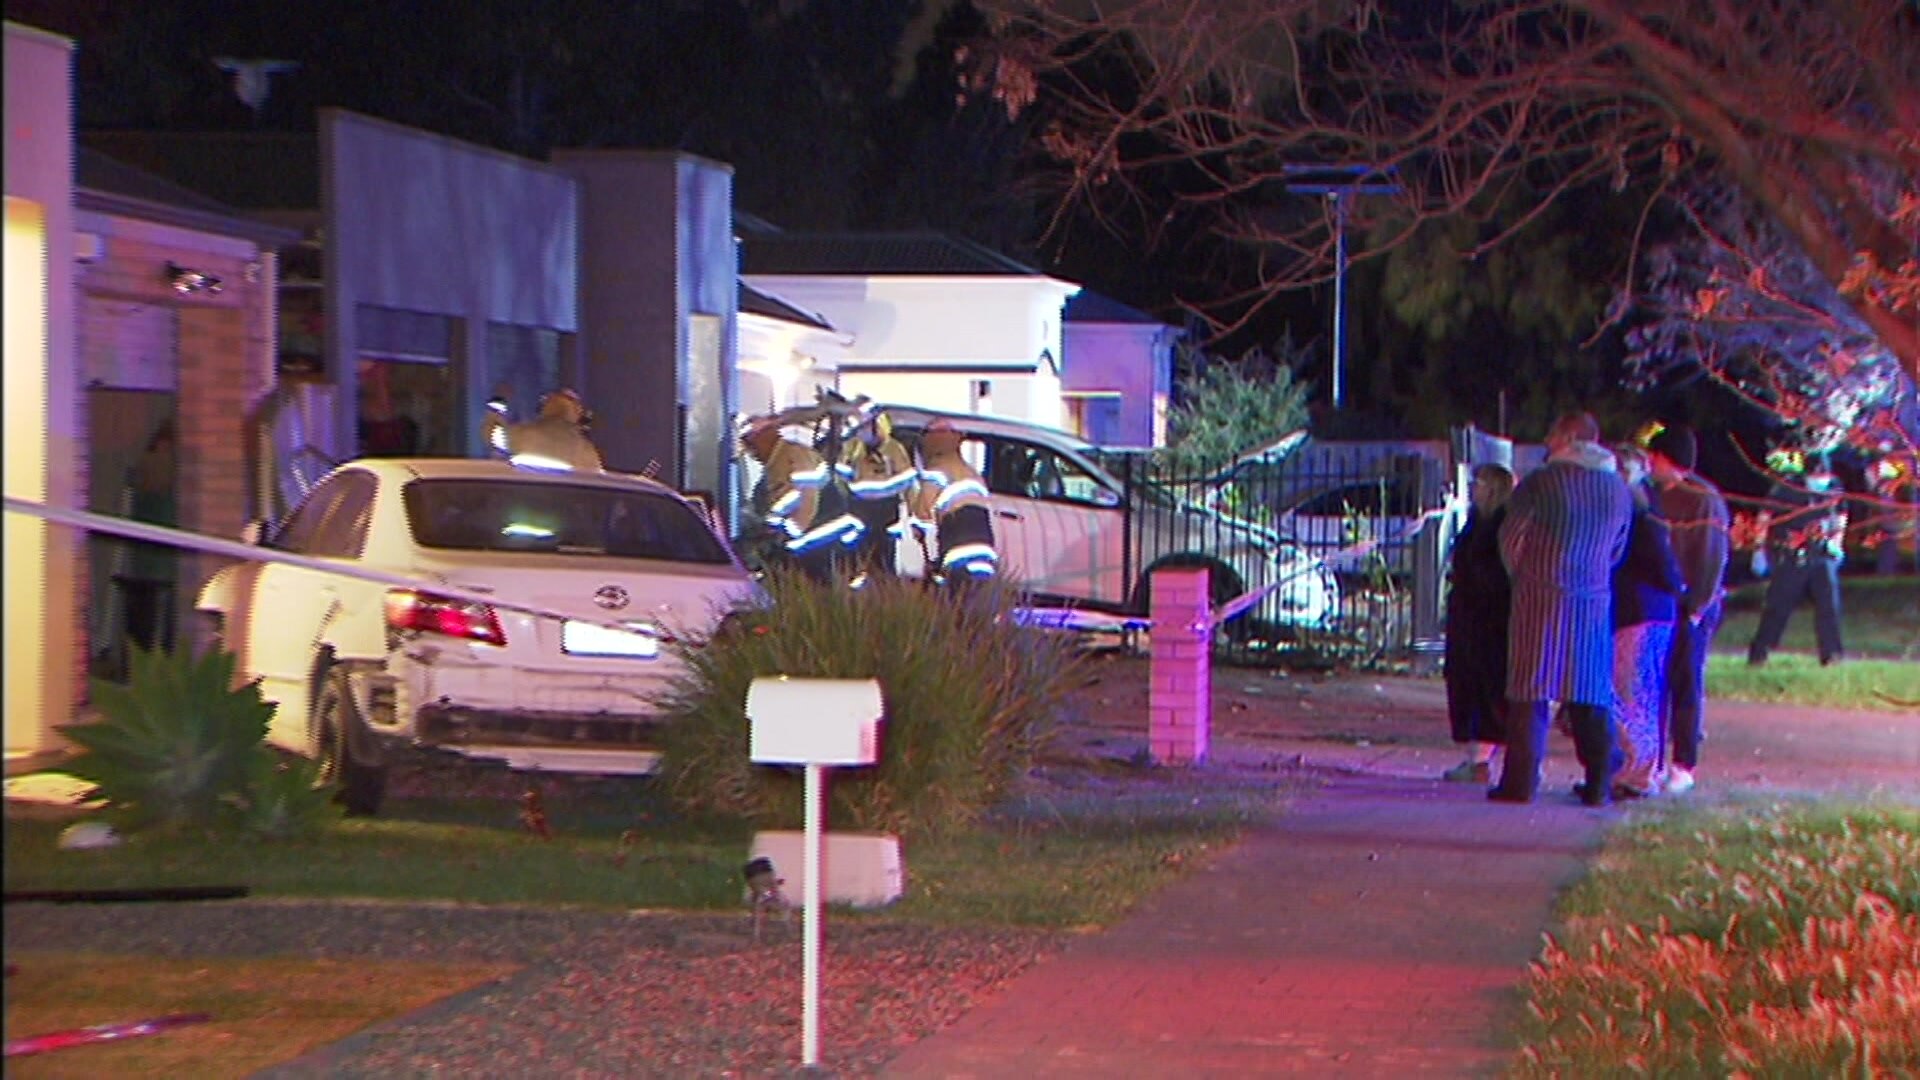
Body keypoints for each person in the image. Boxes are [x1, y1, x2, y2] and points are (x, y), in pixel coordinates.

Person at [1490, 412, 1633, 807]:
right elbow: (1617, 549)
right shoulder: (1618, 490)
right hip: (1592, 600)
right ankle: (1600, 782)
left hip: (1539, 597)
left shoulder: (1541, 483)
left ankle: (1519, 783)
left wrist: (1527, 575)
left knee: (1529, 690)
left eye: (1553, 433)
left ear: (1570, 438)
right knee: (1590, 691)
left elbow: (1512, 539)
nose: (1547, 440)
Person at [1644, 422, 1730, 796]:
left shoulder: (1702, 500)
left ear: (1666, 458)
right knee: (1657, 683)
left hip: (1690, 607)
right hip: (1665, 603)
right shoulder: (1657, 496)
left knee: (1685, 683)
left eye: (1654, 457)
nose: (1649, 464)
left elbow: (1711, 560)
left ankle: (1684, 763)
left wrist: (1696, 608)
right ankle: (1656, 761)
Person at [1608, 444, 1685, 798]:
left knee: (1633, 691)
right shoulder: (1644, 509)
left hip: (1640, 611)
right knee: (1639, 692)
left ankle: (1637, 772)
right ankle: (1637, 770)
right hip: (1649, 610)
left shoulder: (1637, 513)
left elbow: (1660, 563)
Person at [1441, 463, 1515, 783]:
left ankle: (1482, 757)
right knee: (1468, 684)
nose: (1473, 487)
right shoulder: (1477, 521)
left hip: (1487, 617)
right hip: (1470, 615)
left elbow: (1493, 572)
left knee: (1486, 686)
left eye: (1480, 482)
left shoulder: (1499, 524)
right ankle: (1478, 757)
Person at [1747, 449, 1847, 667]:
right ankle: (1759, 654)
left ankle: (1832, 656)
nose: (1820, 481)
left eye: (1823, 477)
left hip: (1822, 555)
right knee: (1778, 607)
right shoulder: (1788, 488)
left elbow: (1841, 515)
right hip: (1792, 555)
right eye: (1816, 477)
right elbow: (1765, 517)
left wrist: (1836, 544)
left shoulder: (1834, 487)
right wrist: (1759, 550)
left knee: (1829, 607)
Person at [742, 415, 859, 580]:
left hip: (823, 535)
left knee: (819, 589)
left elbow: (808, 502)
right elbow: (779, 505)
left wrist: (785, 536)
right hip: (808, 539)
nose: (750, 450)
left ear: (765, 436)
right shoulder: (774, 464)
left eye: (750, 441)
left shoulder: (796, 454)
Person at [908, 419, 998, 584]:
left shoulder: (937, 470)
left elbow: (923, 513)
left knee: (952, 598)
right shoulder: (972, 473)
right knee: (976, 598)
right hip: (985, 546)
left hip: (957, 544)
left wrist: (917, 526)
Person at [839, 410, 916, 583]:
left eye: (866, 426)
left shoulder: (893, 448)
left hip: (886, 511)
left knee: (883, 562)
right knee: (855, 560)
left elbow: (907, 481)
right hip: (860, 511)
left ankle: (883, 592)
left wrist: (913, 512)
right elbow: (842, 478)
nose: (862, 431)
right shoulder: (852, 448)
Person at [491, 389, 604, 471]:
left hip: (524, 496)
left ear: (543, 409)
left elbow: (491, 433)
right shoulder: (586, 451)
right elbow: (598, 482)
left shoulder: (524, 434)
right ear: (578, 416)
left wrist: (496, 406)